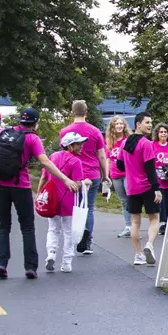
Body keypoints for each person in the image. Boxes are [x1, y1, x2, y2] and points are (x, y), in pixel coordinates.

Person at [0, 108, 83, 280]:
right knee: (27, 227)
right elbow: (45, 162)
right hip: (21, 186)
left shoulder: (2, 132)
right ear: (35, 123)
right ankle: (30, 267)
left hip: (0, 185)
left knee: (2, 226)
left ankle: (1, 264)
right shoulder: (32, 138)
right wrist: (66, 179)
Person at [59, 100, 109, 255]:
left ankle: (74, 238)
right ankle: (87, 243)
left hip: (72, 175)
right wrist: (105, 175)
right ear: (86, 111)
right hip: (92, 174)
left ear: (72, 112)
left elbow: (63, 154)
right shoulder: (94, 131)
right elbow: (101, 155)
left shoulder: (64, 131)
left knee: (74, 207)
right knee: (89, 208)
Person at [41, 132, 89, 273]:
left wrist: (39, 194)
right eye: (78, 144)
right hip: (68, 200)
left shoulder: (53, 157)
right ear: (69, 146)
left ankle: (51, 253)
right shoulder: (76, 162)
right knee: (68, 232)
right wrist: (85, 182)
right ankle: (66, 263)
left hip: (52, 198)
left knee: (53, 229)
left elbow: (44, 177)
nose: (81, 146)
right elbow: (77, 184)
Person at [120, 113, 164, 265]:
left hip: (131, 187)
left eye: (151, 122)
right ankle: (149, 244)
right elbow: (150, 168)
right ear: (138, 124)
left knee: (135, 222)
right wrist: (156, 189)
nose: (150, 125)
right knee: (154, 219)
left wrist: (130, 169)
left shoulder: (124, 143)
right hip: (146, 186)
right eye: (147, 122)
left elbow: (119, 165)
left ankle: (138, 255)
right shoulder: (146, 143)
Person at [103, 116, 131, 236]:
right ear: (113, 127)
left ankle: (134, 226)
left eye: (121, 124)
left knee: (131, 199)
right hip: (115, 175)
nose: (119, 126)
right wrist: (106, 175)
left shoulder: (128, 140)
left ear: (124, 126)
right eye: (117, 124)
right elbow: (108, 159)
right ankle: (128, 226)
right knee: (124, 201)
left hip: (127, 174)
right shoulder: (109, 142)